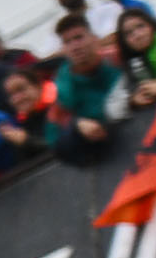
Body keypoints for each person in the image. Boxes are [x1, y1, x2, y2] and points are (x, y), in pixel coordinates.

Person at [49, 13, 128, 164]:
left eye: (79, 38)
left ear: (94, 38)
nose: (75, 46)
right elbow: (54, 138)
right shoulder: (62, 86)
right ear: (63, 49)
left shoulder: (118, 58)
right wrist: (76, 125)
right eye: (67, 42)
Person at [0, 70, 53, 163]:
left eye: (21, 89)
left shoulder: (60, 110)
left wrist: (27, 141)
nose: (17, 99)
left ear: (38, 86)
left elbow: (64, 147)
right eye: (11, 95)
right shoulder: (21, 125)